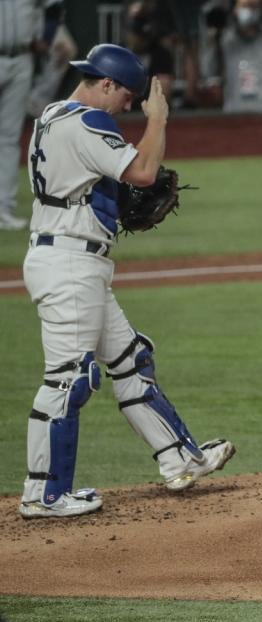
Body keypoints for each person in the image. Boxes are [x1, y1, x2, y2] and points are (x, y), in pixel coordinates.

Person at [19, 44, 236, 518]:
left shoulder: (52, 114)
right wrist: (158, 120)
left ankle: (180, 460)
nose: (129, 106)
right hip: (70, 265)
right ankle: (44, 495)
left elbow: (95, 178)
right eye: (128, 96)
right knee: (69, 380)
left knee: (130, 359)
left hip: (72, 260)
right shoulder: (89, 122)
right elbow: (142, 172)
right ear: (106, 84)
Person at [203, 0, 262, 113]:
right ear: (235, 9)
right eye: (246, 6)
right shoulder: (225, 40)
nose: (250, 10)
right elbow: (208, 71)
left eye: (254, 6)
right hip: (236, 111)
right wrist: (213, 40)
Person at [0, 0, 41, 231]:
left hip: (22, 58)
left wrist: (45, 35)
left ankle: (3, 209)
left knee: (9, 137)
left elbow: (52, 7)